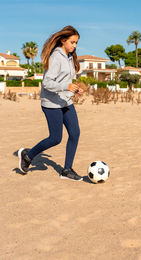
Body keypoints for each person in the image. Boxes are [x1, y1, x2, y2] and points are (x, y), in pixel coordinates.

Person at [18, 25, 84, 181]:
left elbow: (65, 81)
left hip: (65, 102)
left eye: (76, 43)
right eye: (72, 42)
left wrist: (73, 89)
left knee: (75, 133)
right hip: (51, 103)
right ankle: (28, 156)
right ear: (63, 40)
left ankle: (67, 170)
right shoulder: (56, 57)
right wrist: (66, 86)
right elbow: (47, 83)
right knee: (55, 138)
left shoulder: (68, 57)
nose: (74, 46)